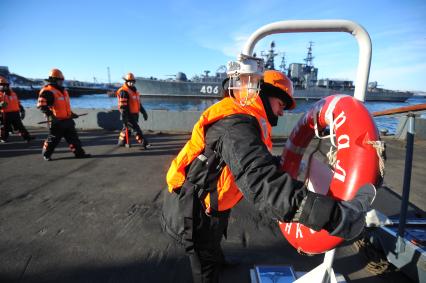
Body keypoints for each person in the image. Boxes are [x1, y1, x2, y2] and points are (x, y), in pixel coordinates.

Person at [161, 70, 376, 283]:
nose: (282, 113)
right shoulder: (236, 125)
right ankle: (211, 268)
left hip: (213, 201)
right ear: (262, 93)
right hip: (192, 209)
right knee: (204, 265)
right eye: (281, 105)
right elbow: (263, 185)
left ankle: (218, 261)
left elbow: (251, 161)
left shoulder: (244, 118)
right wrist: (338, 217)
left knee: (213, 242)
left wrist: (288, 167)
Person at [37, 68, 91, 161]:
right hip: (56, 121)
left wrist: (72, 114)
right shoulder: (47, 91)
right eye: (60, 80)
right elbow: (42, 106)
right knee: (53, 140)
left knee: (74, 139)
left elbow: (65, 106)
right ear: (53, 80)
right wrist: (52, 117)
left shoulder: (63, 91)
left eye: (62, 80)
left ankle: (79, 154)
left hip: (67, 120)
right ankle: (46, 154)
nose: (61, 82)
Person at [116, 72, 150, 148]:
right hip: (128, 115)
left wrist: (144, 112)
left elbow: (138, 104)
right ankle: (145, 143)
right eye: (129, 82)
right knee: (136, 130)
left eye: (132, 82)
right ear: (126, 82)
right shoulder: (124, 91)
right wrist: (124, 117)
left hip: (135, 114)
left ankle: (121, 142)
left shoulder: (135, 91)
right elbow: (123, 106)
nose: (131, 83)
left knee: (126, 129)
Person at [0, 76, 35, 143]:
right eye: (2, 86)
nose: (4, 87)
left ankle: (27, 137)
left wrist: (22, 110)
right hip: (5, 114)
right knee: (5, 127)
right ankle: (3, 138)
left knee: (20, 126)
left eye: (5, 85)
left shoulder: (13, 93)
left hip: (15, 113)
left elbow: (18, 102)